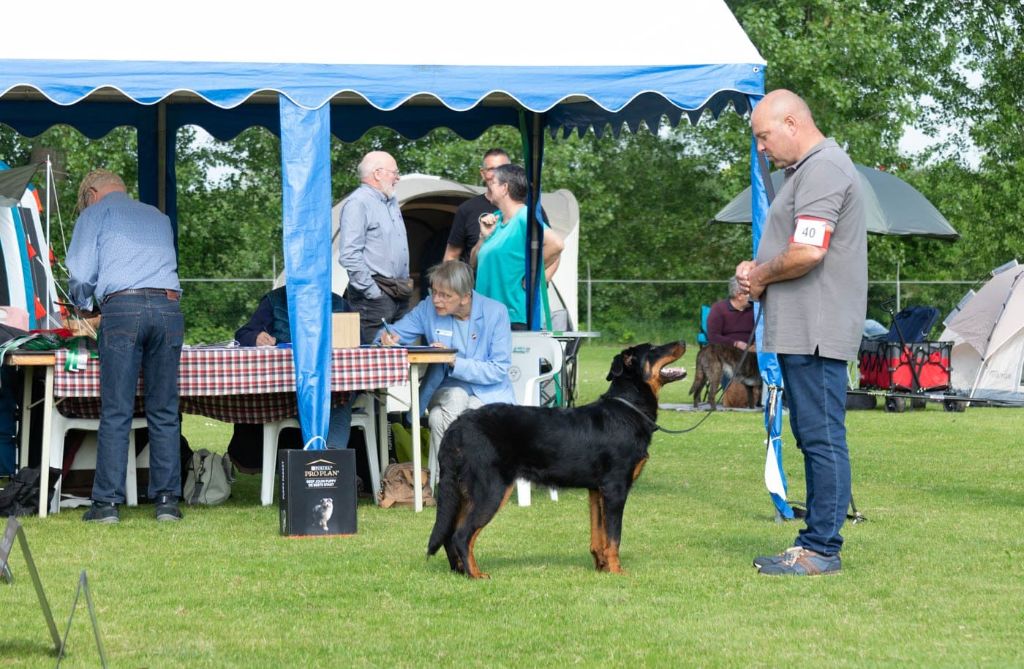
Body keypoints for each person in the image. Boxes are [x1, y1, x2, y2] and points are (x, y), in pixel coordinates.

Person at [735, 89, 867, 576]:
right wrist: (755, 269)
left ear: (791, 123)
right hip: (801, 328)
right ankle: (815, 541)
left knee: (821, 438)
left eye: (764, 136)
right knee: (812, 436)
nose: (761, 148)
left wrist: (761, 275)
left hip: (816, 329)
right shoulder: (804, 172)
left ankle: (822, 549)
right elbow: (793, 246)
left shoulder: (824, 168)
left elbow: (810, 251)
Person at [66, 169, 185, 523]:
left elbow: (81, 274)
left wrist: (82, 306)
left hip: (122, 308)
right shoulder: (158, 216)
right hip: (168, 307)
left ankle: (106, 504)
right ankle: (167, 502)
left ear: (90, 194)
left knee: (117, 410)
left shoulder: (94, 214)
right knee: (164, 410)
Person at [376, 260, 515, 466]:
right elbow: (390, 333)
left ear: (465, 297)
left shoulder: (496, 313)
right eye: (434, 292)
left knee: (441, 418)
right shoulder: (427, 308)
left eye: (445, 295)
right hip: (443, 389)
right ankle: (462, 476)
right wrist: (386, 338)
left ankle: (449, 475)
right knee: (457, 396)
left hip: (488, 392)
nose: (436, 300)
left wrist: (454, 361)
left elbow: (498, 369)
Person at [229, 286, 356, 472]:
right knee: (328, 401)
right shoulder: (274, 301)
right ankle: (326, 469)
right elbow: (243, 334)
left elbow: (358, 343)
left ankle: (330, 467)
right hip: (288, 390)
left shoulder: (339, 304)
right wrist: (256, 337)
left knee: (337, 400)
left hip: (332, 388)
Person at [471, 164, 564, 330]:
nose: (488, 186)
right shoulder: (495, 220)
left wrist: (532, 275)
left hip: (513, 317)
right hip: (485, 317)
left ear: (504, 188)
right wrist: (482, 237)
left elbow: (556, 244)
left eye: (493, 183)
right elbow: (473, 264)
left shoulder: (524, 216)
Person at [337, 151, 411, 344]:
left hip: (399, 292)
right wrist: (373, 293)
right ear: (378, 174)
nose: (398, 178)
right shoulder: (358, 203)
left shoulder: (390, 201)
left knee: (398, 354)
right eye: (394, 172)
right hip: (374, 297)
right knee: (373, 355)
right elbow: (349, 255)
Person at [443, 148, 510, 264]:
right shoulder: (467, 209)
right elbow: (451, 257)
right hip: (477, 275)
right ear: (483, 174)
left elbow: (545, 250)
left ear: (512, 172)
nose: (497, 175)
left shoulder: (527, 207)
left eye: (502, 169)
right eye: (491, 169)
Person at [707, 276, 755, 350]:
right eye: (749, 292)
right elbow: (713, 337)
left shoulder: (756, 309)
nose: (753, 295)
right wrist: (735, 344)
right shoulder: (718, 309)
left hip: (753, 351)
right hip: (725, 351)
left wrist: (756, 345)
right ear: (739, 295)